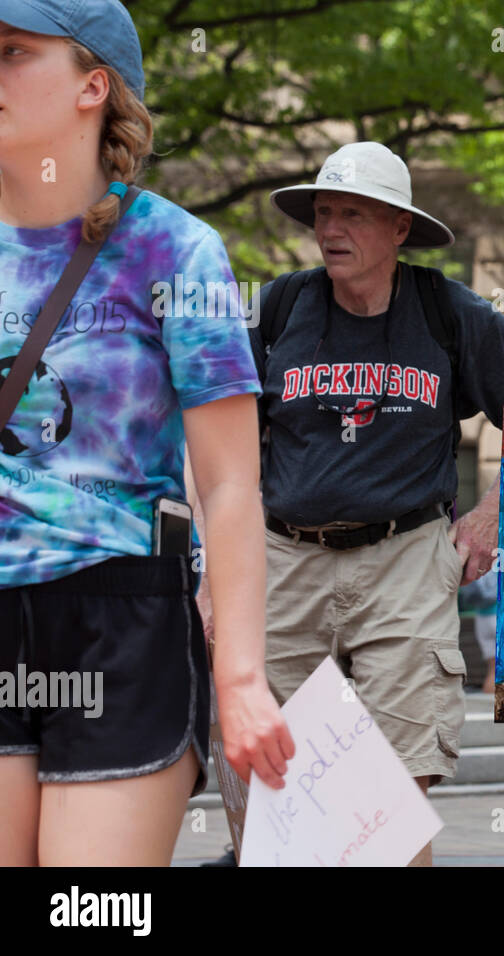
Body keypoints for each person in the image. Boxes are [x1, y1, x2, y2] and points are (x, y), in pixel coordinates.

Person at [0, 0, 290, 866]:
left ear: (94, 86)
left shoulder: (175, 250)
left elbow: (233, 481)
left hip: (120, 620)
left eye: (12, 52)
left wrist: (240, 678)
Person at [250, 141, 504, 864]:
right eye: (324, 213)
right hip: (283, 561)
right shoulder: (278, 308)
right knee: (283, 787)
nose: (332, 229)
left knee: (387, 797)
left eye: (353, 215)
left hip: (406, 558)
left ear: (398, 228)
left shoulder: (450, 312)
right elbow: (220, 441)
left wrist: (492, 515)